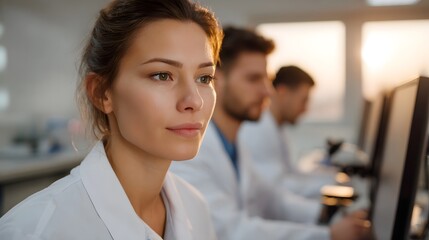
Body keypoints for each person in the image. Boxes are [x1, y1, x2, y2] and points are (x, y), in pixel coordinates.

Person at [0, 0, 223, 239]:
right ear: (102, 92)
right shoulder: (35, 230)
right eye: (162, 75)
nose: (194, 101)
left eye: (204, 78)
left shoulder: (195, 207)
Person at [170, 27, 371, 240]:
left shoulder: (233, 142)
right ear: (215, 80)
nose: (268, 91)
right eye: (254, 79)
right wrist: (328, 235)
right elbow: (228, 230)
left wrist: (327, 214)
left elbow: (273, 199)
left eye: (267, 79)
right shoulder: (189, 151)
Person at [239, 66, 337, 199]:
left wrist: (334, 180)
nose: (305, 109)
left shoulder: (278, 128)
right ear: (282, 92)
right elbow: (278, 187)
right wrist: (334, 184)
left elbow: (292, 175)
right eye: (303, 100)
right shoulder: (258, 129)